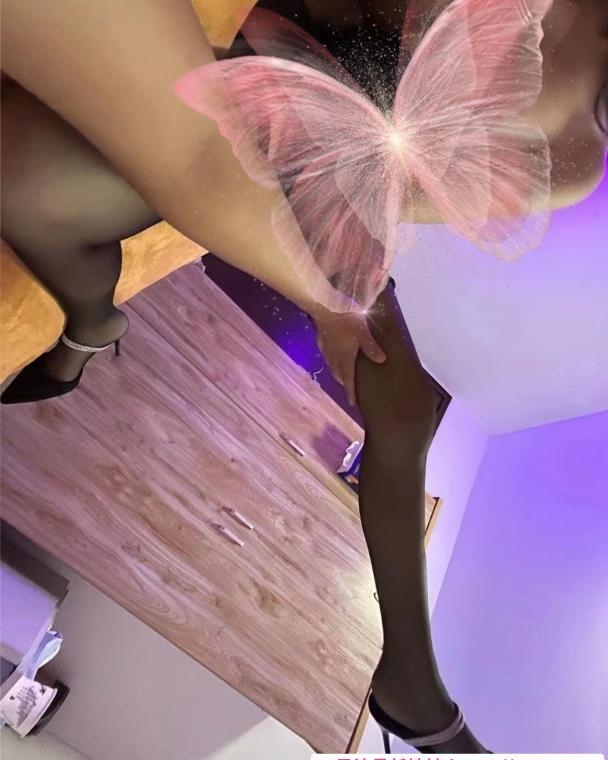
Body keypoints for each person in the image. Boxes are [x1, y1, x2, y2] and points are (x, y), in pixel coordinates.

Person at [1, 0, 606, 751]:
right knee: (27, 179)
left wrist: (346, 292)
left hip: (296, 152)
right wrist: (333, 303)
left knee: (403, 404)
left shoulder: (575, 155)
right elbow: (208, 145)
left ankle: (411, 678)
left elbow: (367, 181)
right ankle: (93, 324)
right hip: (244, 119)